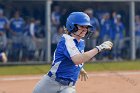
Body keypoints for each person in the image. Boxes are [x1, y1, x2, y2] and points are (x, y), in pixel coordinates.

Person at [32, 12, 113, 93]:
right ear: (72, 26)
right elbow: (77, 59)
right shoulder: (67, 40)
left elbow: (76, 58)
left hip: (68, 86)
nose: (85, 29)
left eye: (86, 27)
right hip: (51, 83)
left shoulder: (81, 42)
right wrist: (98, 48)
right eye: (82, 26)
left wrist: (80, 68)